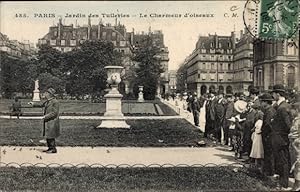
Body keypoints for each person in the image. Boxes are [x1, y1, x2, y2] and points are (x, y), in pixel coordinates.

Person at [271, 84, 293, 189]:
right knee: (281, 160)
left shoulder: (282, 108)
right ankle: (282, 180)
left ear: (278, 94)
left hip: (281, 139)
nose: (273, 95)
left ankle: (284, 183)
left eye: (273, 93)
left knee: (283, 160)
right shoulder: (282, 106)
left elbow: (288, 125)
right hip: (280, 138)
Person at [29, 88, 60, 154]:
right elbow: (41, 105)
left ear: (50, 94)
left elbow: (54, 113)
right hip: (48, 121)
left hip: (52, 121)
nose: (45, 94)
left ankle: (53, 149)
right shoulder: (48, 101)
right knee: (48, 134)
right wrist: (33, 104)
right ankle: (50, 148)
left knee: (51, 135)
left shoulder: (55, 102)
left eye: (46, 93)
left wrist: (45, 116)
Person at [260, 93, 276, 176]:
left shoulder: (269, 111)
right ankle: (269, 171)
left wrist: (264, 133)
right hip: (269, 135)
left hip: (268, 135)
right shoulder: (270, 110)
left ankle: (269, 172)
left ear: (266, 102)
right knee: (268, 153)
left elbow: (268, 124)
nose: (261, 103)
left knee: (269, 153)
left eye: (262, 101)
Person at [288, 95, 300, 191]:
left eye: (292, 110)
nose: (290, 112)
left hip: (298, 145)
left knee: (298, 164)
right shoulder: (294, 120)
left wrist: (295, 140)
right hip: (293, 145)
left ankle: (297, 184)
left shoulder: (299, 121)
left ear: (296, 110)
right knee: (295, 164)